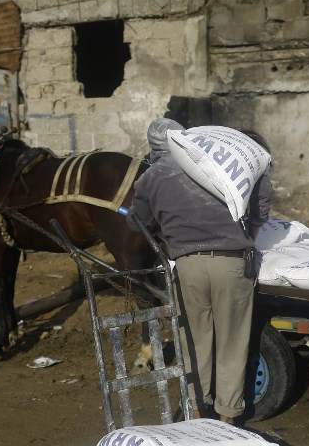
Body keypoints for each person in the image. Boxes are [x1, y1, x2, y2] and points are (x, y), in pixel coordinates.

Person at [128, 118, 271, 424]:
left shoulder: (151, 178)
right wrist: (248, 231)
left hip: (188, 266)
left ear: (153, 149)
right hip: (234, 264)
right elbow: (261, 205)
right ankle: (228, 417)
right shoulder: (218, 161)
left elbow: (137, 223)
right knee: (233, 340)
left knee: (194, 340)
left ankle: (196, 409)